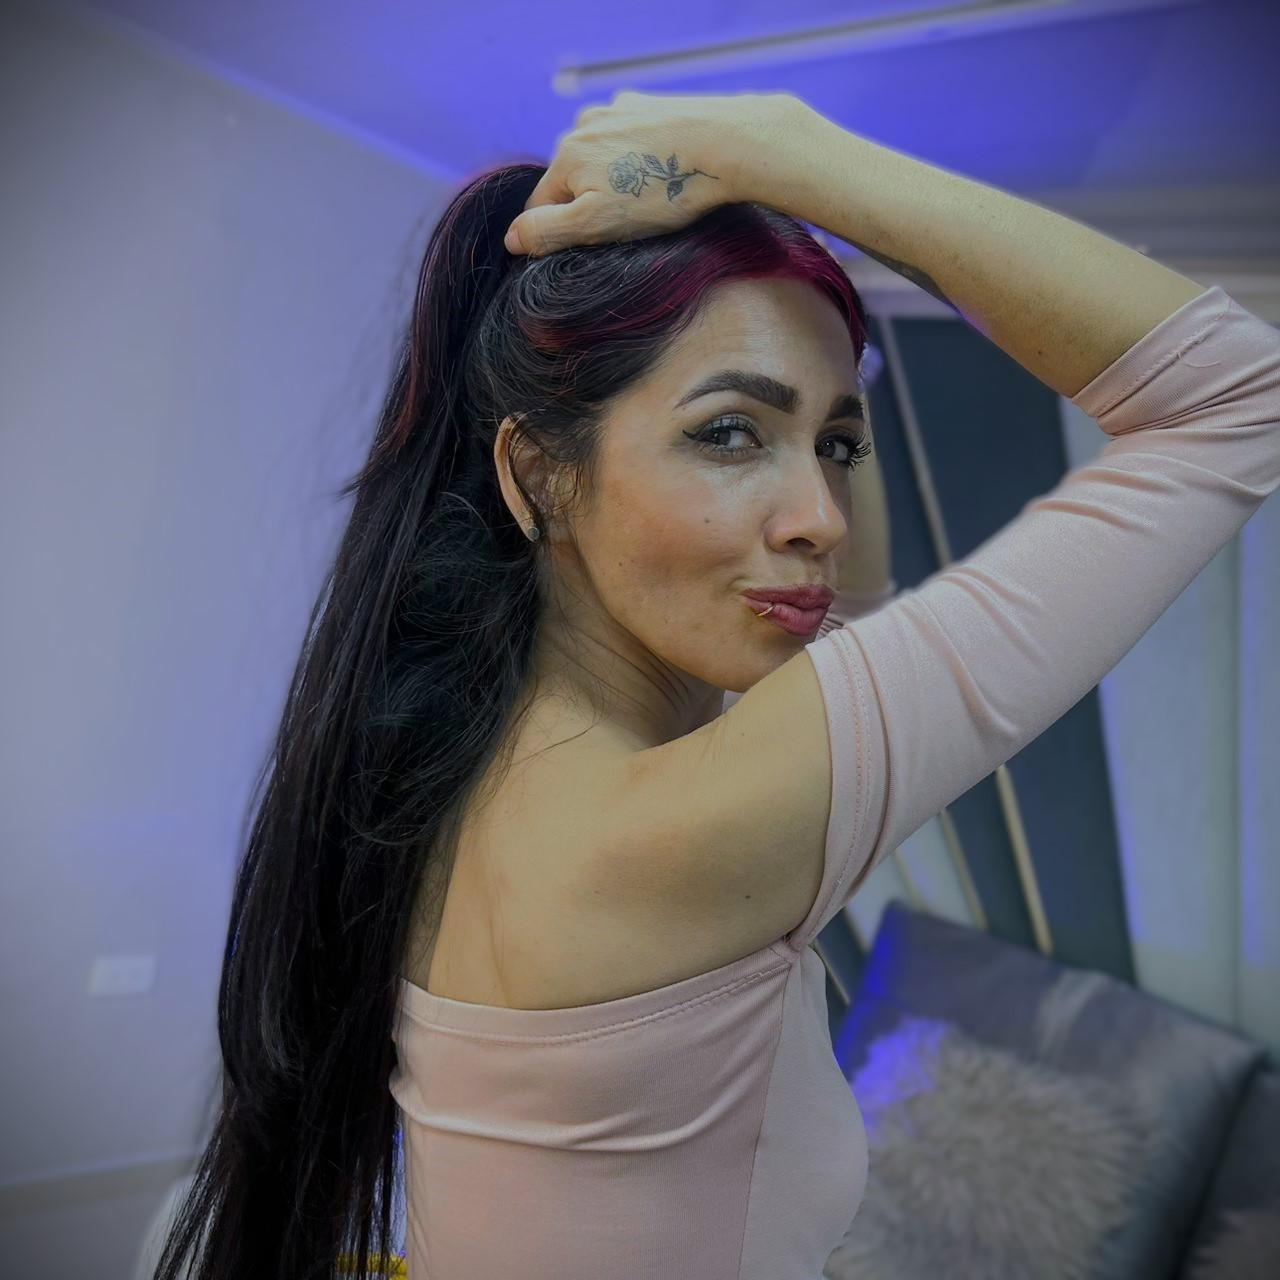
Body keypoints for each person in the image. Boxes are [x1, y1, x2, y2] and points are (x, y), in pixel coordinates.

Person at [151, 91, 1280, 1280]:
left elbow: (855, 596)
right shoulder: (667, 835)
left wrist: (798, 297)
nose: (819, 516)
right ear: (537, 473)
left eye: (836, 444)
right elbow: (1235, 394)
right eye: (728, 433)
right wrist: (785, 149)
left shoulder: (470, 773)